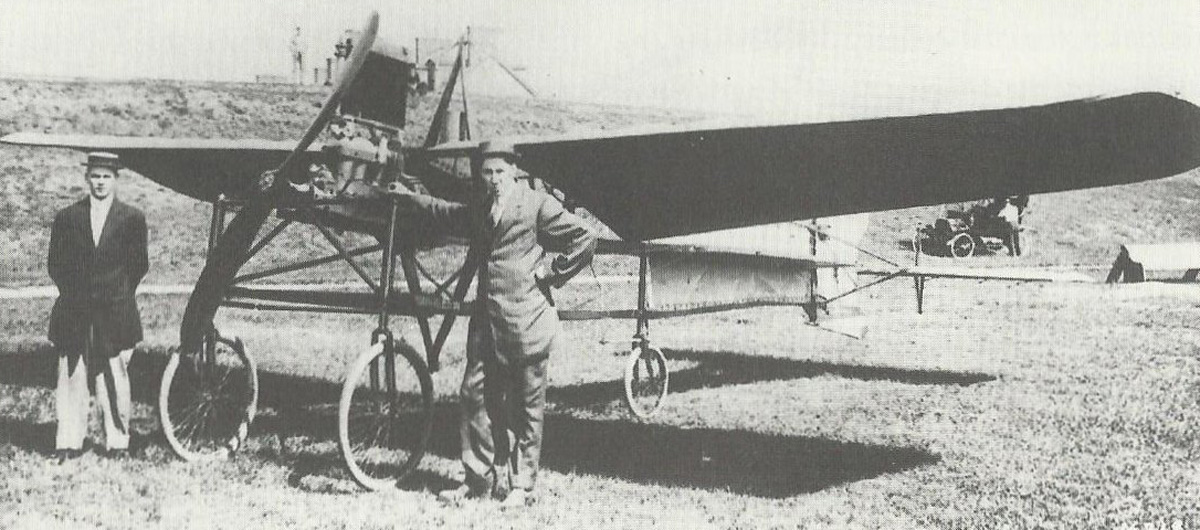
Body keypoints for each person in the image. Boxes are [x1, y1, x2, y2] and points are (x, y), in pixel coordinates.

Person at [389, 140, 597, 508]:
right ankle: (477, 480)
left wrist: (553, 273)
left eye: (500, 171)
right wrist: (408, 197)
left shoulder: (537, 204)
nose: (494, 179)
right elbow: (447, 212)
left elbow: (585, 236)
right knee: (472, 396)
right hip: (486, 322)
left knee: (525, 406)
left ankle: (521, 486)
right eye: (487, 172)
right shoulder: (482, 206)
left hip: (526, 322)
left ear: (514, 170)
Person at [47, 152, 149, 462]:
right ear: (87, 178)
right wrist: (74, 293)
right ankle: (68, 442)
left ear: (116, 179)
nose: (100, 182)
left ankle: (118, 442)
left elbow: (139, 265)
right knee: (71, 374)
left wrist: (117, 293)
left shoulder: (132, 218)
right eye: (95, 176)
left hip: (114, 309)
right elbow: (55, 263)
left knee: (114, 375)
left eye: (106, 176)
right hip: (74, 308)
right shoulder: (68, 217)